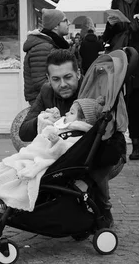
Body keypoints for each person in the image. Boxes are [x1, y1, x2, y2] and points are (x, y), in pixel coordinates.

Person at [19, 49, 124, 228]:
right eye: (56, 79)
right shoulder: (46, 91)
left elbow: (114, 135)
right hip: (60, 150)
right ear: (48, 78)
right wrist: (42, 120)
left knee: (97, 157)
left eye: (68, 77)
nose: (62, 84)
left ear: (78, 73)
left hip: (96, 153)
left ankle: (103, 207)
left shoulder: (93, 90)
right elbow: (24, 131)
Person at [0, 97, 105, 213]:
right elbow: (42, 135)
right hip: (33, 154)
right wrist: (48, 120)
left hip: (44, 161)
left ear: (84, 121)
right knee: (4, 165)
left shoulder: (79, 136)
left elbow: (68, 152)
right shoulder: (66, 127)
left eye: (72, 113)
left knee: (13, 174)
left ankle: (2, 201)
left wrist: (57, 143)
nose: (67, 114)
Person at [100, 0, 139, 160]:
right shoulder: (115, 5)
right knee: (131, 104)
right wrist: (110, 25)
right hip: (125, 60)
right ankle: (136, 145)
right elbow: (106, 38)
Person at [22, 8, 70, 106]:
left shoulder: (51, 44)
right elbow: (40, 82)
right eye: (65, 20)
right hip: (43, 100)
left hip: (49, 98)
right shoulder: (43, 47)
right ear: (56, 26)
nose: (68, 23)